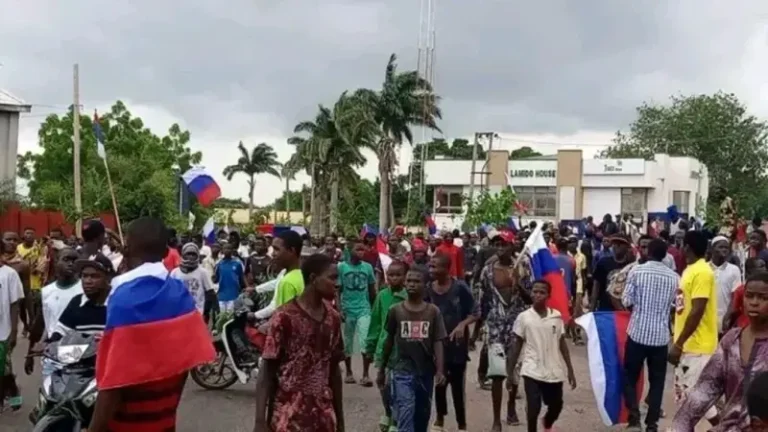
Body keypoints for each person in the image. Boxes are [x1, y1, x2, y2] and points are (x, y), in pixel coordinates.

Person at [89, 217, 214, 432]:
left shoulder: (122, 299)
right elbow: (184, 364)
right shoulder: (180, 293)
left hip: (127, 424)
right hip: (165, 420)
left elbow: (114, 381)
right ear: (166, 252)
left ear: (126, 248)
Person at [253, 253, 345, 432]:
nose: (337, 283)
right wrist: (259, 421)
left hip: (323, 417)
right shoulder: (284, 317)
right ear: (313, 278)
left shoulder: (333, 319)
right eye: (332, 278)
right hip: (288, 417)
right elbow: (267, 370)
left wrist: (340, 422)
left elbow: (334, 370)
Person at [670, 271, 768, 431]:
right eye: (749, 296)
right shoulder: (731, 341)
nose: (754, 302)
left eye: (763, 298)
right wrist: (679, 427)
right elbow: (704, 390)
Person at [621, 238, 680, 432]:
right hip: (660, 337)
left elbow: (626, 300)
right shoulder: (674, 277)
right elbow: (678, 306)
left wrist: (638, 309)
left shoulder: (636, 271)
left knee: (630, 376)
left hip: (637, 333)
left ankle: (634, 417)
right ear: (665, 255)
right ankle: (652, 423)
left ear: (648, 252)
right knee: (657, 381)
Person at [377, 268, 446, 432]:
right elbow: (389, 340)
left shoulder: (433, 312)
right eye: (409, 281)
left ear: (425, 285)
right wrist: (382, 369)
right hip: (402, 369)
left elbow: (438, 341)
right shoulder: (396, 310)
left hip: (425, 371)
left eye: (416, 281)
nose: (412, 284)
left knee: (422, 414)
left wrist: (440, 370)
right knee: (405, 410)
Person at [506, 280, 576, 432]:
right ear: (531, 294)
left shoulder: (556, 317)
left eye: (542, 292)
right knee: (533, 407)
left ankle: (547, 422)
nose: (537, 295)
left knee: (556, 405)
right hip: (531, 368)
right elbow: (517, 345)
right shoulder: (524, 317)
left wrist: (570, 369)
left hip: (553, 369)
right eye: (535, 291)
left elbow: (562, 343)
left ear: (548, 295)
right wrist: (510, 373)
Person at [669, 230, 720, 427]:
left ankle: (723, 427)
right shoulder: (690, 270)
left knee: (694, 398)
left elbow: (697, 310)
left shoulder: (702, 272)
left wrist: (678, 344)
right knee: (687, 397)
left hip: (698, 346)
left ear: (687, 247)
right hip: (688, 345)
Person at [480, 234, 530, 430]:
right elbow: (483, 299)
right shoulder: (488, 271)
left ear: (512, 247)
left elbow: (531, 298)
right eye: (497, 244)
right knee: (496, 373)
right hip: (495, 327)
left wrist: (518, 283)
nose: (500, 248)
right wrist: (480, 326)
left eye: (504, 245)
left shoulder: (523, 267)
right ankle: (496, 419)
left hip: (516, 325)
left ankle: (511, 406)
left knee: (514, 369)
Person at [428, 253, 477, 432]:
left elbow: (475, 312)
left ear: (446, 269)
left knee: (457, 386)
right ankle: (439, 418)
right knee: (439, 382)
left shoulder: (460, 288)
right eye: (430, 265)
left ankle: (461, 424)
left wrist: (462, 325)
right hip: (436, 345)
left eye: (435, 266)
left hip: (456, 345)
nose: (431, 269)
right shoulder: (428, 289)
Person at [24, 247, 83, 378]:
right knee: (50, 388)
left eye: (74, 260)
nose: (71, 263)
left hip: (78, 353)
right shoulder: (47, 292)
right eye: (66, 259)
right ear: (56, 262)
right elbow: (40, 325)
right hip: (52, 353)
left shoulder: (85, 290)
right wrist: (30, 354)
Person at [365, 260, 409, 432]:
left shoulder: (409, 296)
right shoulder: (382, 296)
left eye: (398, 275)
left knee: (399, 387)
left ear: (405, 277)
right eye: (390, 275)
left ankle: (397, 420)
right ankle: (388, 412)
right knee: (384, 385)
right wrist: (370, 347)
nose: (394, 278)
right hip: (384, 348)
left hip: (402, 349)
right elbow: (375, 322)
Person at [338, 239, 377, 385]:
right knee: (348, 341)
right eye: (358, 249)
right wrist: (339, 309)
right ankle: (349, 372)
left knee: (365, 340)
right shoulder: (342, 267)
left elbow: (372, 290)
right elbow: (338, 290)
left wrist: (374, 308)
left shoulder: (367, 267)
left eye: (363, 249)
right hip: (348, 309)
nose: (361, 252)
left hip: (364, 309)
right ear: (350, 250)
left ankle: (366, 374)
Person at [52, 254, 114, 339]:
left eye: (94, 276)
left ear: (108, 278)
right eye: (84, 276)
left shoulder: (118, 304)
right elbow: (60, 331)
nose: (88, 281)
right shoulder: (76, 302)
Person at [0, 247, 24, 412]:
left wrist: (14, 331)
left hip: (3, 330)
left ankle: (12, 393)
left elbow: (15, 304)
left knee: (4, 368)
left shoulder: (9, 274)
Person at [591, 234, 635, 312]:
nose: (617, 246)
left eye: (620, 244)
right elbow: (596, 287)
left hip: (625, 310)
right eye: (614, 243)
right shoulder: (603, 263)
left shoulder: (632, 266)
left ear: (627, 247)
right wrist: (592, 310)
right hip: (605, 309)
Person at [709, 236, 742, 333]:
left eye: (726, 248)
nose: (724, 250)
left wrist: (728, 315)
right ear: (712, 249)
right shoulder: (704, 269)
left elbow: (735, 295)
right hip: (707, 318)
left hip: (725, 317)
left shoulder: (734, 270)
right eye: (720, 247)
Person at [170, 243, 215, 314]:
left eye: (193, 254)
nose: (191, 256)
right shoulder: (175, 272)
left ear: (197, 255)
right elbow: (170, 292)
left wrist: (207, 312)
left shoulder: (203, 272)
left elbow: (210, 292)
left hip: (198, 312)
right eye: (188, 254)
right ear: (183, 255)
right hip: (180, 312)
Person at [724, 257, 766, 331]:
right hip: (744, 326)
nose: (764, 269)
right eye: (761, 266)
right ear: (750, 271)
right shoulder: (740, 290)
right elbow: (734, 310)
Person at [271, 230, 304, 307]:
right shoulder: (305, 274)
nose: (272, 254)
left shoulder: (287, 282)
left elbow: (286, 313)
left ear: (292, 250)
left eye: (277, 249)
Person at [213, 242, 246, 314]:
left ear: (232, 250)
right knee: (222, 316)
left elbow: (241, 278)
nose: (227, 250)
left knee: (231, 316)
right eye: (225, 248)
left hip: (234, 295)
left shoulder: (237, 264)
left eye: (229, 248)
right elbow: (216, 280)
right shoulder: (219, 264)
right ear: (222, 250)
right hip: (221, 295)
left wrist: (243, 289)